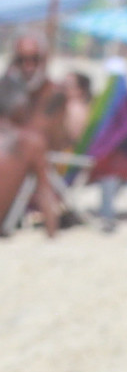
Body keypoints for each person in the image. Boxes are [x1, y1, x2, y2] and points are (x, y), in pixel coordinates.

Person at [0, 32, 60, 235]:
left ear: (44, 61)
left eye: (34, 59)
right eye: (21, 60)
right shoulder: (8, 89)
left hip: (41, 167)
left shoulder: (55, 95)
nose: (28, 66)